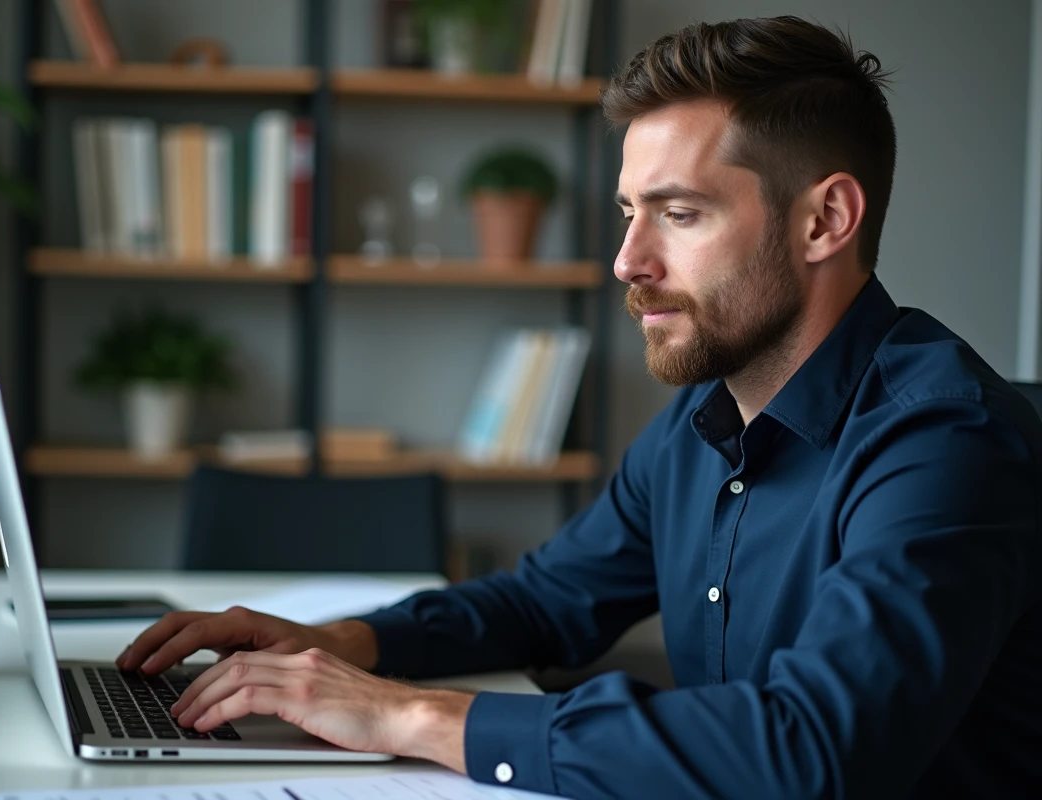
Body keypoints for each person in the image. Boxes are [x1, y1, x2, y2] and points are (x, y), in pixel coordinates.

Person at [117, 16, 1042, 799]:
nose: (627, 262)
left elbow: (814, 746)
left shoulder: (945, 442)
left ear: (824, 221)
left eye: (678, 215)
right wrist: (341, 645)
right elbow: (547, 601)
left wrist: (404, 714)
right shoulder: (703, 421)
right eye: (628, 212)